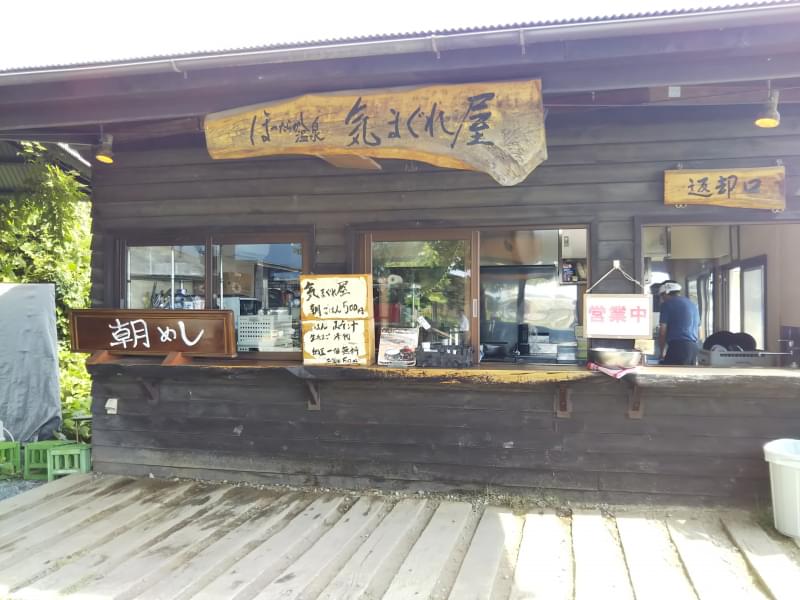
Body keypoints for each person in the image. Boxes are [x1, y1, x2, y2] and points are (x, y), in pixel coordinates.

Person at [658, 281, 700, 365]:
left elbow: (662, 331)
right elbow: (698, 327)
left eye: (662, 296)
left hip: (678, 347)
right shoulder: (692, 304)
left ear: (666, 293)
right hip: (694, 348)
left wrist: (662, 352)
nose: (661, 299)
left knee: (670, 376)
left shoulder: (667, 304)